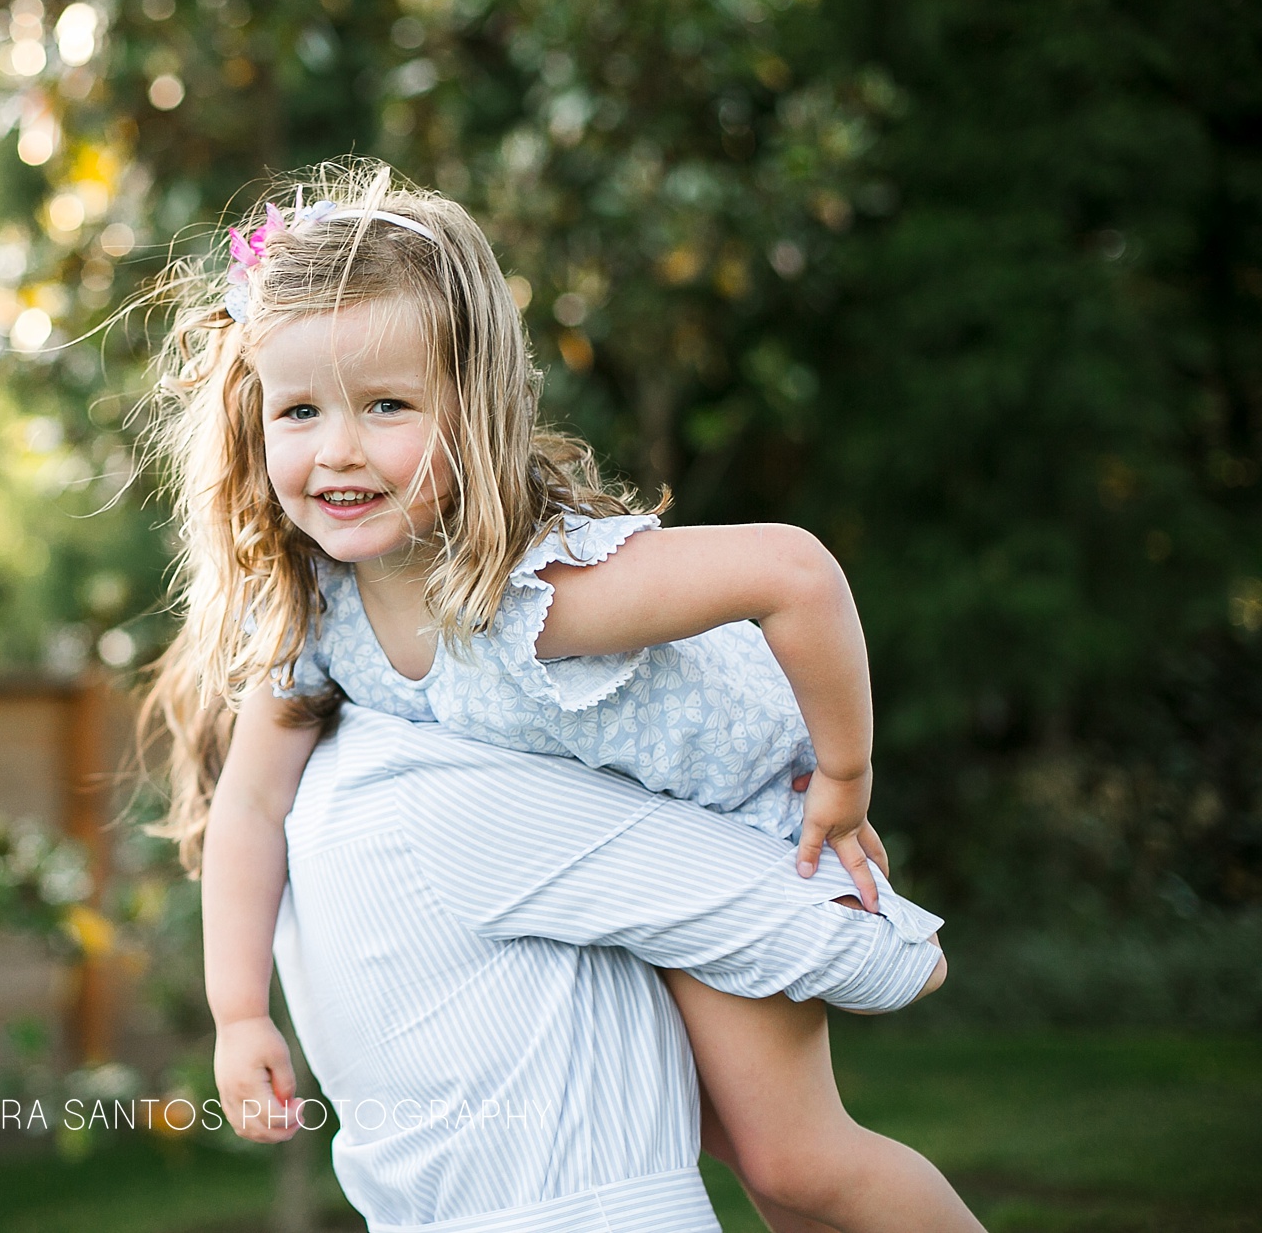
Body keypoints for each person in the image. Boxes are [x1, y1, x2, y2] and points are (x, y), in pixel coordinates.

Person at [139, 162, 982, 1232]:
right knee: (730, 1147)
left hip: (712, 817)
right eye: (299, 410)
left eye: (386, 406)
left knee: (795, 1162)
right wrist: (236, 1010)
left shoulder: (542, 593)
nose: (337, 450)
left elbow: (794, 574)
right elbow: (250, 808)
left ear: (473, 407)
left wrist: (845, 777)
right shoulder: (317, 607)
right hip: (592, 852)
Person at [273, 703, 945, 1233]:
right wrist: (891, 940)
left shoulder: (303, 822)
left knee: (785, 1156)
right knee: (797, 1158)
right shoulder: (429, 777)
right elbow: (878, 955)